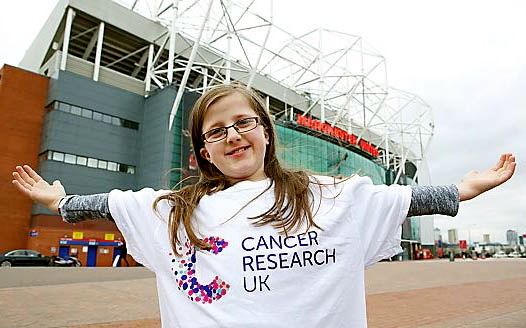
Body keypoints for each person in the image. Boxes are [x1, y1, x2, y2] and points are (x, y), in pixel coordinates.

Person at [12, 84, 515, 327]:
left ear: (266, 133)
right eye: (216, 131)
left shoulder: (329, 196)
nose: (232, 135)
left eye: (244, 122)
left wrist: (462, 190)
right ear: (202, 152)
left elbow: (400, 198)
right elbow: (114, 203)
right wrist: (62, 201)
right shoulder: (176, 211)